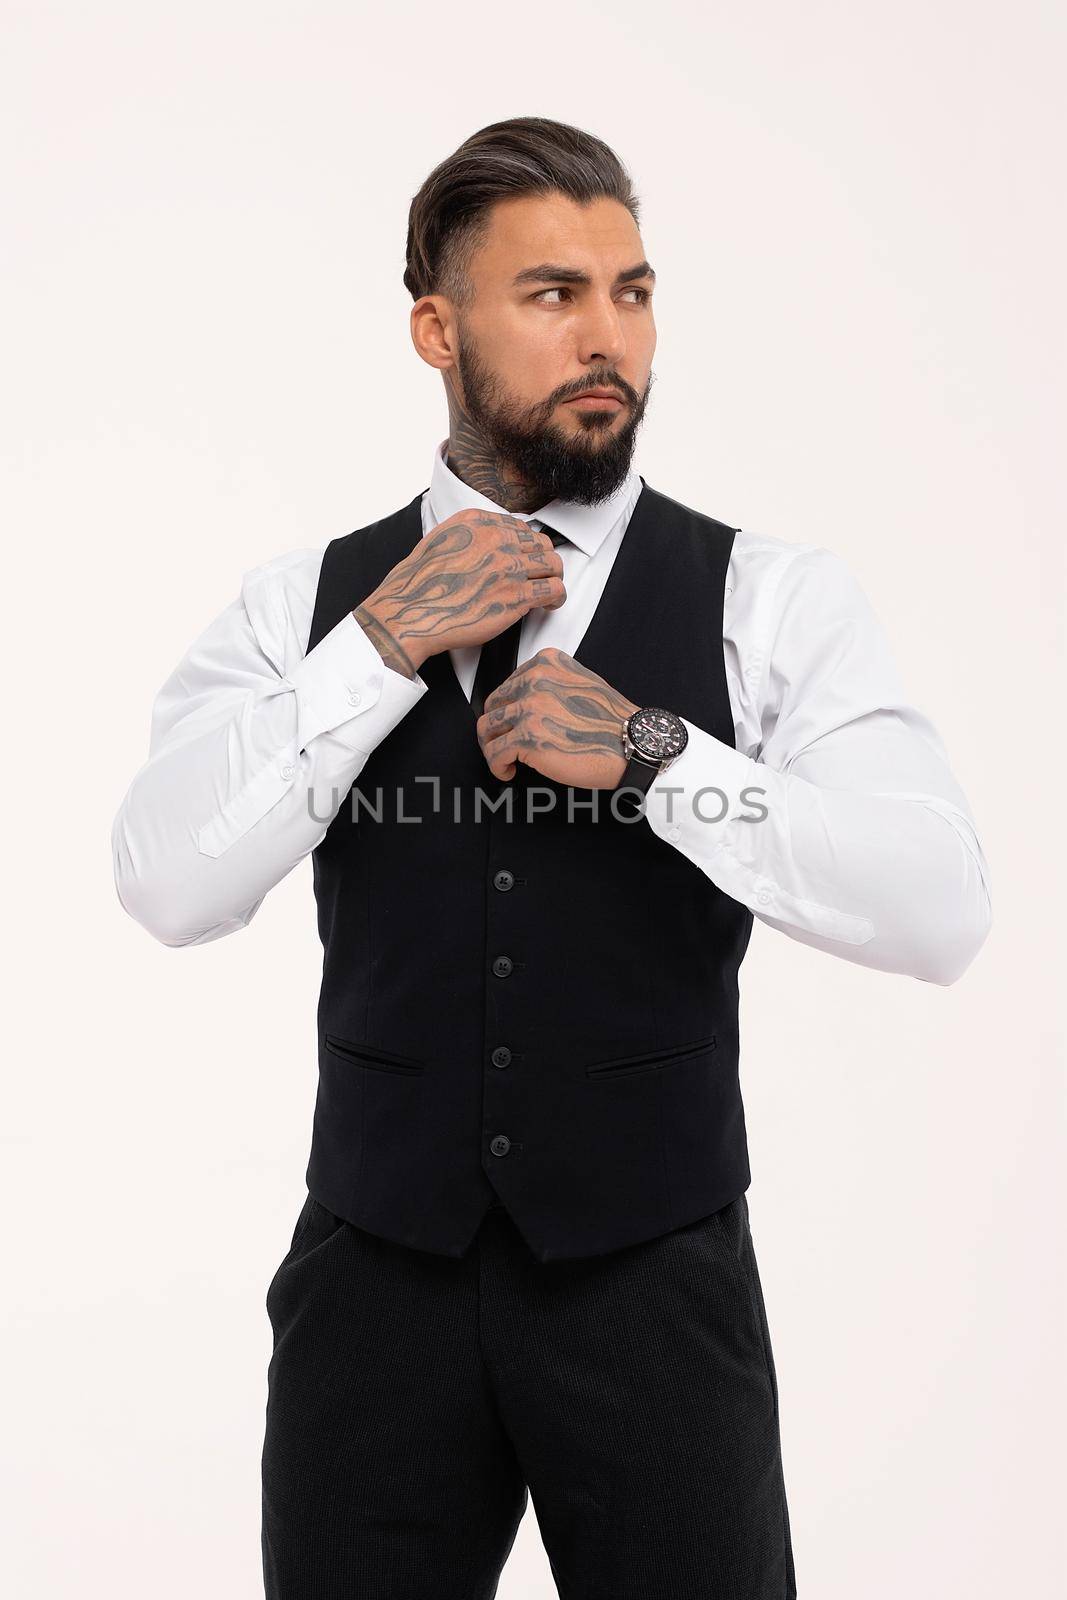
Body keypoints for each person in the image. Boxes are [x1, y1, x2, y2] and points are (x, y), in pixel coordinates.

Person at [111, 116, 992, 1599]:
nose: (607, 338)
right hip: (373, 1284)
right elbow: (164, 880)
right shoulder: (305, 606)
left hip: (655, 1281)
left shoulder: (764, 601)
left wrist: (658, 756)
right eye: (553, 296)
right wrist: (382, 644)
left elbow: (941, 905)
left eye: (632, 293)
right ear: (436, 328)